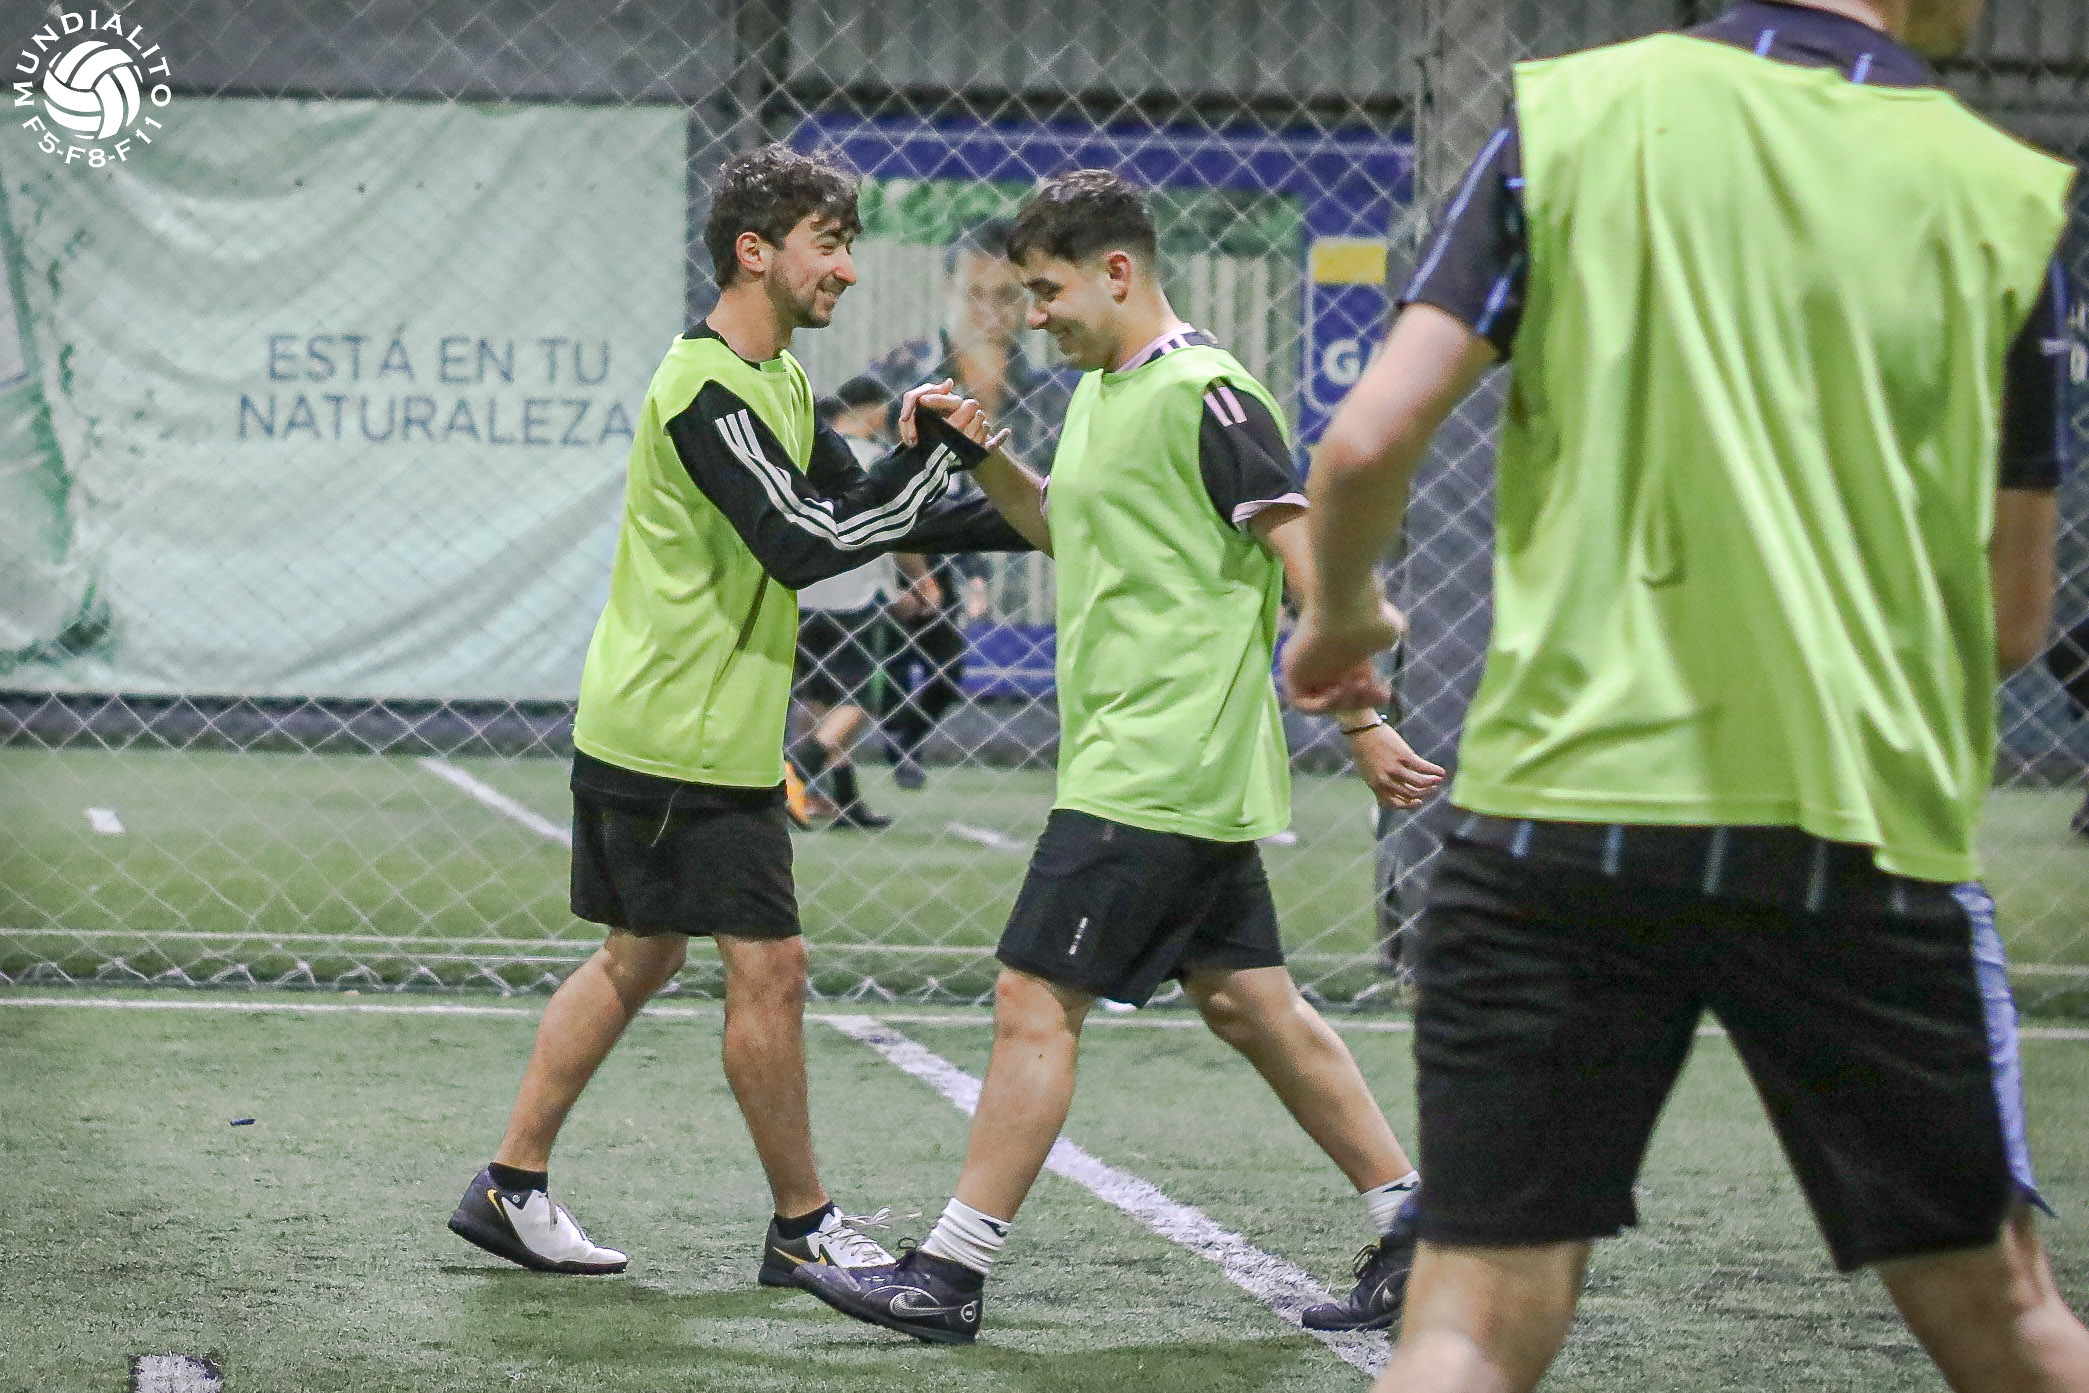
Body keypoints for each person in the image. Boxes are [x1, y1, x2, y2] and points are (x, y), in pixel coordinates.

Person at [1282, 4, 2089, 1391]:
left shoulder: (1569, 119)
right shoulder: (2005, 197)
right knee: (2006, 1317)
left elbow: (1362, 445)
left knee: (1467, 1320)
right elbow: (2013, 619)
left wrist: (1343, 614)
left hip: (1558, 817)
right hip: (1850, 823)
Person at [798, 170, 1447, 1345]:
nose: (1032, 314)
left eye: (1046, 291)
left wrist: (1361, 722)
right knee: (1251, 1004)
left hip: (1157, 764)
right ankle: (1415, 1233)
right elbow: (1066, 524)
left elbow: (1314, 572)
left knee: (1033, 999)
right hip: (1160, 763)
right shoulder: (1109, 388)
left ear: (1116, 271)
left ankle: (947, 1272)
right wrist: (981, 455)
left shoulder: (1211, 396)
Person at [447, 143, 1030, 1286]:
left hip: (662, 725)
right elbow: (802, 543)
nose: (848, 269)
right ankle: (802, 1224)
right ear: (754, 252)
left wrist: (1038, 517)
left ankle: (511, 1185)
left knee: (637, 955)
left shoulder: (779, 382)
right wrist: (934, 465)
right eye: (831, 244)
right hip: (684, 737)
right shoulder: (704, 391)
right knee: (769, 967)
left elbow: (859, 502)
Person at [869, 218, 1076, 788]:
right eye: (974, 293)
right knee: (889, 651)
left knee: (945, 661)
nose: (990, 310)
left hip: (1005, 545)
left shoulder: (1050, 392)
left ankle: (902, 741)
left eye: (1006, 295)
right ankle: (857, 755)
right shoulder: (901, 371)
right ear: (948, 290)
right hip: (901, 541)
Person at [785, 380, 930, 830]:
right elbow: (898, 529)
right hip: (858, 595)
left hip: (807, 592)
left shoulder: (806, 458)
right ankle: (799, 767)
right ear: (873, 410)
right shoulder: (875, 461)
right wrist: (921, 579)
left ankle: (843, 800)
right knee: (863, 700)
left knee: (818, 698)